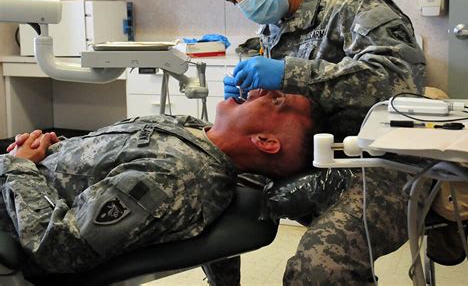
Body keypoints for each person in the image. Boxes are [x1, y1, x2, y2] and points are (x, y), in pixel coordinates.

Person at [208, 0, 427, 285]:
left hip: (377, 164)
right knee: (210, 187)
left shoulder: (355, 6)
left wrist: (288, 74)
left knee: (320, 267)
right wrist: (245, 87)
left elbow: (400, 80)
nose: (244, 6)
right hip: (304, 158)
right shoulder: (273, 27)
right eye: (233, 1)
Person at [0, 90, 314, 276]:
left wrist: (20, 166)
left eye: (275, 101)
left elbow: (59, 246)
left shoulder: (173, 176)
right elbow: (105, 163)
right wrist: (54, 150)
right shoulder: (192, 131)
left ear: (265, 141)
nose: (258, 90)